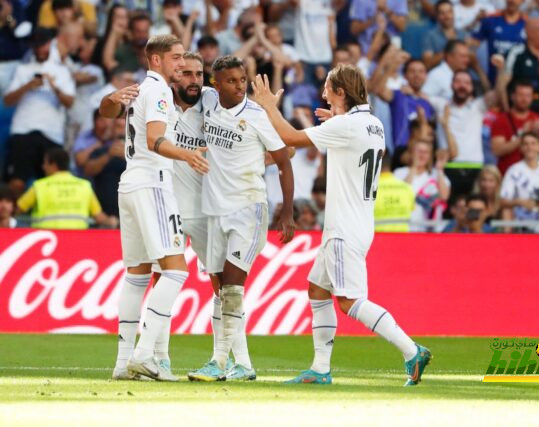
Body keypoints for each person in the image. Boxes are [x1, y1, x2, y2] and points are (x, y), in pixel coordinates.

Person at [252, 64, 433, 386]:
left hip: (343, 228)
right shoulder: (373, 124)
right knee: (317, 290)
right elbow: (352, 142)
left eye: (327, 88)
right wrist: (336, 121)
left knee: (349, 301)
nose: (323, 93)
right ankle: (320, 368)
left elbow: (289, 137)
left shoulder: (347, 126)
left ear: (340, 92)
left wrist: (268, 105)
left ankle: (411, 350)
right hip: (359, 222)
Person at [98, 34, 209, 381]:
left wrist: (110, 98)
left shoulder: (141, 88)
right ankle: (146, 354)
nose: (181, 63)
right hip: (153, 182)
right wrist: (185, 154)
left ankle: (122, 363)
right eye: (175, 58)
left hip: (129, 184)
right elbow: (154, 140)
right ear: (157, 60)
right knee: (176, 271)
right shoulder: (159, 90)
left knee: (137, 275)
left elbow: (108, 109)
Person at [186, 55, 295, 381]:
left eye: (242, 80)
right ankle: (244, 365)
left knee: (233, 288)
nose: (239, 86)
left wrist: (287, 209)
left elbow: (285, 159)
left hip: (249, 209)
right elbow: (186, 87)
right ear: (215, 84)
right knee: (221, 292)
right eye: (231, 81)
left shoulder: (256, 116)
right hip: (214, 210)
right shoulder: (208, 103)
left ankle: (218, 362)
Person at [3, 28, 75, 196]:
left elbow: (69, 102)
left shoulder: (62, 71)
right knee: (17, 182)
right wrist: (28, 86)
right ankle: (11, 220)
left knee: (53, 183)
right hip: (23, 129)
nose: (40, 49)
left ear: (50, 44)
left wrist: (54, 86)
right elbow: (7, 100)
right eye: (36, 46)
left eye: (43, 45)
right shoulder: (23, 69)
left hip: (52, 133)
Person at [431, 69, 497, 200]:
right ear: (451, 84)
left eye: (467, 83)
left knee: (474, 210)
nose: (462, 86)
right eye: (458, 81)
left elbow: (498, 94)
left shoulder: (478, 106)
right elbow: (417, 95)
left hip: (474, 166)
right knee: (447, 210)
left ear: (472, 87)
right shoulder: (440, 104)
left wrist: (500, 70)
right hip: (448, 165)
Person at [15, 148, 117, 229]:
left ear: (53, 165)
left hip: (46, 240)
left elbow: (18, 210)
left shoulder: (39, 186)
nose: (43, 167)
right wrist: (112, 221)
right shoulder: (84, 186)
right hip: (77, 241)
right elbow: (99, 217)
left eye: (45, 163)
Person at [500, 132, 539, 233]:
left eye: (533, 143)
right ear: (521, 148)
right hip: (521, 229)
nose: (529, 147)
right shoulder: (513, 171)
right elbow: (503, 201)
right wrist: (520, 202)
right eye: (526, 144)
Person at [371, 56, 435, 151]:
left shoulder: (428, 102)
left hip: (423, 153)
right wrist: (392, 67)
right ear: (405, 75)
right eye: (412, 71)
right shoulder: (399, 95)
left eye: (421, 71)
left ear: (426, 76)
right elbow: (378, 90)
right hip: (401, 152)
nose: (417, 75)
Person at [491, 79, 539, 175]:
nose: (524, 99)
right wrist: (523, 135)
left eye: (528, 95)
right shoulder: (501, 120)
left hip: (533, 176)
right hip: (506, 174)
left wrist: (536, 135)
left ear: (532, 97)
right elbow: (497, 150)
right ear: (512, 96)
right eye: (521, 95)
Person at [394, 140, 450, 231]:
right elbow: (401, 195)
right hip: (406, 227)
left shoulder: (437, 174)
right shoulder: (399, 173)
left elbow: (444, 196)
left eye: (426, 152)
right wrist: (414, 167)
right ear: (411, 153)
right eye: (419, 151)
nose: (422, 155)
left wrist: (439, 169)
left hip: (430, 229)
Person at [471, 0, 526, 83]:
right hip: (492, 80)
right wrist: (483, 78)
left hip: (518, 84)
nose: (512, 1)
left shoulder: (527, 23)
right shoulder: (491, 20)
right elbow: (471, 48)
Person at [421, 0, 466, 70]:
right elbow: (427, 64)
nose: (447, 16)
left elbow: (469, 59)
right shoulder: (430, 36)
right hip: (440, 76)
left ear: (454, 13)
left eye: (449, 12)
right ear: (437, 16)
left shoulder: (462, 34)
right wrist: (449, 51)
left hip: (461, 76)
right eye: (442, 13)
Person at [374, 155, 415, 232]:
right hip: (401, 238)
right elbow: (412, 209)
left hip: (378, 238)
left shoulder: (370, 189)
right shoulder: (406, 187)